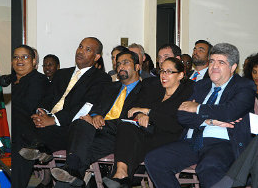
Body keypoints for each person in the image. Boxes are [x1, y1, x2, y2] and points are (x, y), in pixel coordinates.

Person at [145, 43, 256, 188]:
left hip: (222, 142)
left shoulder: (244, 86)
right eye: (212, 61)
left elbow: (230, 112)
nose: (214, 66)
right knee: (154, 159)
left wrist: (198, 107)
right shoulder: (201, 85)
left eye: (221, 62)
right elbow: (182, 115)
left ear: (233, 67)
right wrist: (210, 121)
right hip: (192, 141)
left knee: (209, 166)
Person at [17, 37, 111, 187]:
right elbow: (47, 97)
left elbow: (85, 106)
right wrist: (41, 112)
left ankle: (42, 148)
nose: (81, 51)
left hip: (69, 124)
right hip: (48, 121)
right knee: (20, 130)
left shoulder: (101, 78)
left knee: (43, 135)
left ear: (97, 57)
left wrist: (53, 119)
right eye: (80, 47)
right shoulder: (62, 74)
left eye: (87, 49)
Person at [50, 50, 143, 187]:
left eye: (125, 63)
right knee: (80, 124)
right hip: (97, 133)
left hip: (121, 137)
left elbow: (133, 119)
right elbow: (96, 107)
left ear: (137, 67)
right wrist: (95, 116)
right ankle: (74, 171)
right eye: (118, 64)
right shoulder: (110, 87)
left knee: (78, 153)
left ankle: (74, 171)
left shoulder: (145, 90)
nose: (121, 67)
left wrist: (103, 122)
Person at [103, 57, 194, 187]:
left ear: (180, 75)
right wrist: (140, 114)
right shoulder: (155, 88)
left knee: (130, 141)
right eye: (162, 71)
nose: (163, 75)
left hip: (168, 137)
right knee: (125, 126)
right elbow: (133, 108)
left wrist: (148, 112)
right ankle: (121, 173)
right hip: (146, 132)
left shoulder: (186, 94)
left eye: (169, 71)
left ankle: (122, 177)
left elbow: (174, 124)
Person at [211, 53, 258, 188]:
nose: (256, 76)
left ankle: (231, 181)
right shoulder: (247, 89)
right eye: (254, 72)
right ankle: (232, 181)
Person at [11, 45, 49, 188]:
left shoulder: (38, 80)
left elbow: (29, 106)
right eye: (16, 57)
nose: (19, 60)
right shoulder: (8, 80)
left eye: (25, 57)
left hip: (28, 130)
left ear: (34, 62)